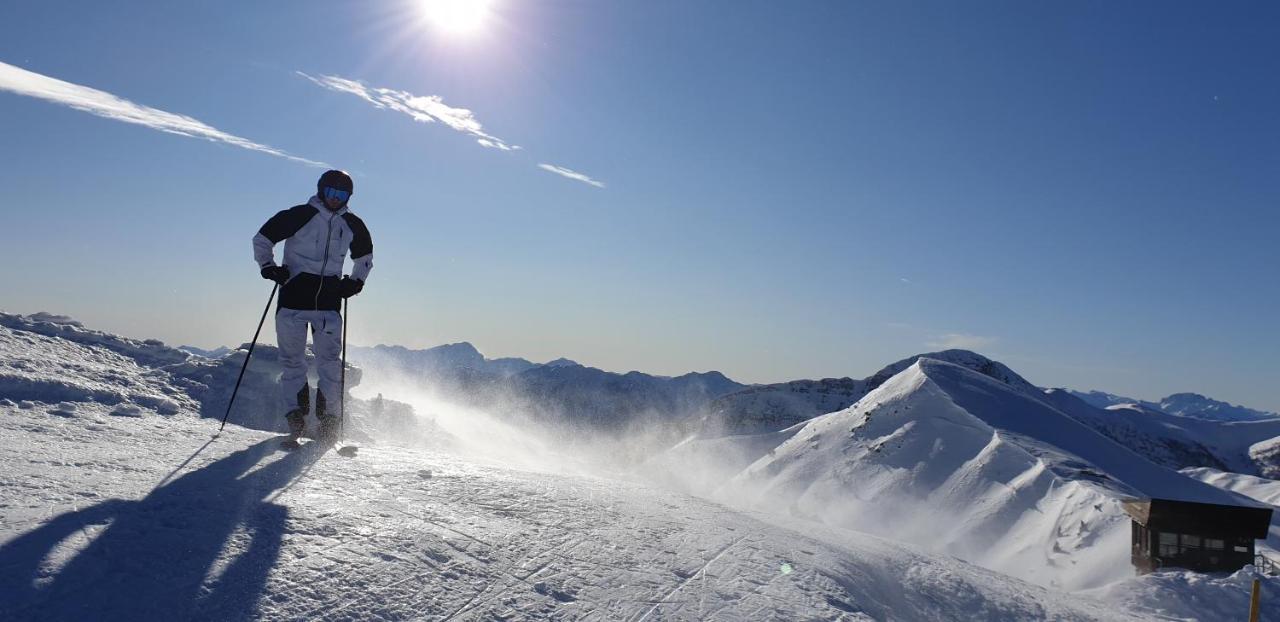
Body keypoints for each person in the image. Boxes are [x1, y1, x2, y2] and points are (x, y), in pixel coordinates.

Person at [252, 170, 373, 442]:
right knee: (292, 362)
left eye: (341, 195)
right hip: (293, 300)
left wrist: (355, 282)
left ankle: (329, 421)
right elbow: (262, 239)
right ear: (321, 190)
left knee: (329, 364)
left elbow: (365, 257)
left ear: (348, 197)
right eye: (330, 192)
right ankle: (297, 418)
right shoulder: (300, 215)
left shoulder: (353, 224)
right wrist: (269, 267)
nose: (334, 199)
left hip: (329, 304)